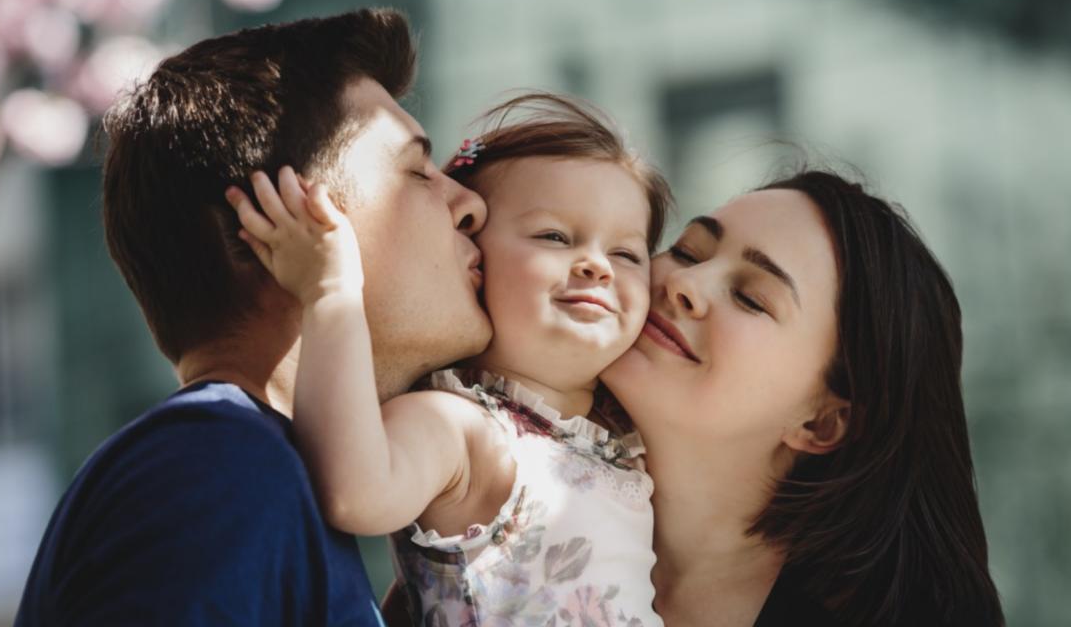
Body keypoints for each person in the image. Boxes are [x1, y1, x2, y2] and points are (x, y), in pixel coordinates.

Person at [15, 8, 493, 625]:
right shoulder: (212, 467)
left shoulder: (245, 467)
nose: (469, 203)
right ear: (264, 229)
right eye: (415, 171)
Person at [226, 93, 673, 626]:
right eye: (554, 236)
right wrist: (329, 292)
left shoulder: (620, 437)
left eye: (626, 254)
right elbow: (355, 494)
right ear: (473, 259)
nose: (597, 265)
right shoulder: (461, 427)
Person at [601, 170, 1004, 626]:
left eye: (751, 298)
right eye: (687, 251)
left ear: (822, 423)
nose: (686, 283)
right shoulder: (521, 486)